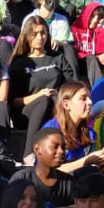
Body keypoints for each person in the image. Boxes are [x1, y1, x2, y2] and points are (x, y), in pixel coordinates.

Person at [10, 16, 75, 159]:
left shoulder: (57, 58)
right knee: (44, 100)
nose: (40, 37)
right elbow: (13, 102)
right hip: (27, 112)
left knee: (55, 100)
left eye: (43, 33)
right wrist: (39, 95)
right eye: (35, 33)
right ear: (27, 36)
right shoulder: (19, 63)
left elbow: (71, 85)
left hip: (55, 107)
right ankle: (28, 154)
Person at [43, 81, 104, 173]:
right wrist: (86, 161)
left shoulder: (89, 133)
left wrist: (103, 160)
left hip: (80, 181)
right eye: (83, 98)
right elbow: (48, 171)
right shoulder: (51, 131)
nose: (90, 102)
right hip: (56, 183)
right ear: (66, 105)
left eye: (90, 98)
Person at [12, 128, 75, 208]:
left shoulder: (68, 181)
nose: (61, 152)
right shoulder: (21, 179)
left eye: (63, 147)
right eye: (55, 147)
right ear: (37, 149)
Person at [71, 3, 104, 86]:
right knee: (91, 57)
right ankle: (99, 89)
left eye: (99, 18)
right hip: (81, 64)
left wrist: (99, 28)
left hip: (97, 63)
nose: (95, 20)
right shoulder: (74, 29)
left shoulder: (99, 32)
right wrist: (95, 56)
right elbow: (72, 52)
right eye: (92, 16)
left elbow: (100, 50)